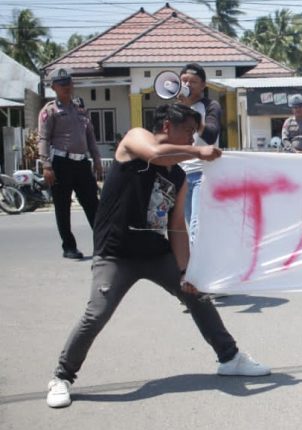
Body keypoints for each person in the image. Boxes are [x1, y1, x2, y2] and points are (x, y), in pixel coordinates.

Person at [45, 104, 271, 409]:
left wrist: (186, 271)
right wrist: (198, 153)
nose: (192, 139)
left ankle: (230, 358)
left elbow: (177, 226)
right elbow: (155, 154)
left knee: (197, 297)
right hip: (116, 254)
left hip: (155, 253)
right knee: (97, 314)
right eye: (188, 131)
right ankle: (61, 377)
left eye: (194, 135)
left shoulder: (178, 175)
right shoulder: (135, 139)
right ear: (167, 126)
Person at [38, 67, 103, 259]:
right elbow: (43, 138)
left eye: (68, 83)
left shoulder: (80, 109)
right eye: (62, 84)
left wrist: (97, 159)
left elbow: (90, 136)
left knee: (93, 204)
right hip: (61, 163)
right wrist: (46, 165)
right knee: (62, 206)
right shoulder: (50, 110)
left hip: (82, 163)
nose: (66, 87)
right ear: (54, 87)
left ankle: (103, 244)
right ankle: (69, 247)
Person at [176, 63, 222, 244]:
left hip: (202, 174)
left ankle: (197, 259)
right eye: (184, 81)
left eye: (193, 82)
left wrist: (191, 113)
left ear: (203, 85)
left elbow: (211, 136)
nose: (187, 85)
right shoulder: (176, 108)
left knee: (197, 225)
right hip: (181, 175)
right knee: (190, 223)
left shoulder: (211, 106)